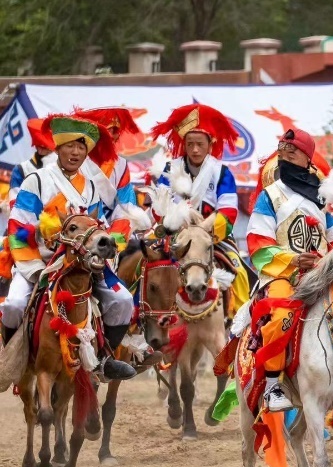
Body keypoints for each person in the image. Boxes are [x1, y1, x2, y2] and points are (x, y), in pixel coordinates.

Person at [4, 116, 143, 380]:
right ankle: (13, 359)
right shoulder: (36, 181)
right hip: (39, 264)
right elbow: (19, 229)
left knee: (123, 300)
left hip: (80, 265)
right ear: (57, 148)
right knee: (12, 305)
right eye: (70, 146)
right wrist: (37, 258)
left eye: (81, 147)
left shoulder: (90, 186)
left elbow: (95, 225)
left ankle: (104, 360)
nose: (76, 152)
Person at [245, 128, 333, 411]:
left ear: (308, 157)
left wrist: (331, 262)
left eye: (294, 149)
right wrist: (292, 259)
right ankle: (272, 385)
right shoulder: (270, 195)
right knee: (281, 315)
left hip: (325, 272)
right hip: (284, 274)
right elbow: (258, 241)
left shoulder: (326, 196)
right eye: (283, 148)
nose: (287, 151)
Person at [150, 103, 251, 315]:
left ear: (210, 144)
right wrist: (178, 216)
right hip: (175, 234)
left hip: (212, 236)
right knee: (145, 267)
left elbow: (229, 211)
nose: (195, 150)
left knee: (239, 272)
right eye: (190, 144)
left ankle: (238, 323)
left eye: (200, 144)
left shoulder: (221, 172)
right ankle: (140, 319)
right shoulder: (171, 169)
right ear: (184, 145)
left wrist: (207, 229)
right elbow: (159, 207)